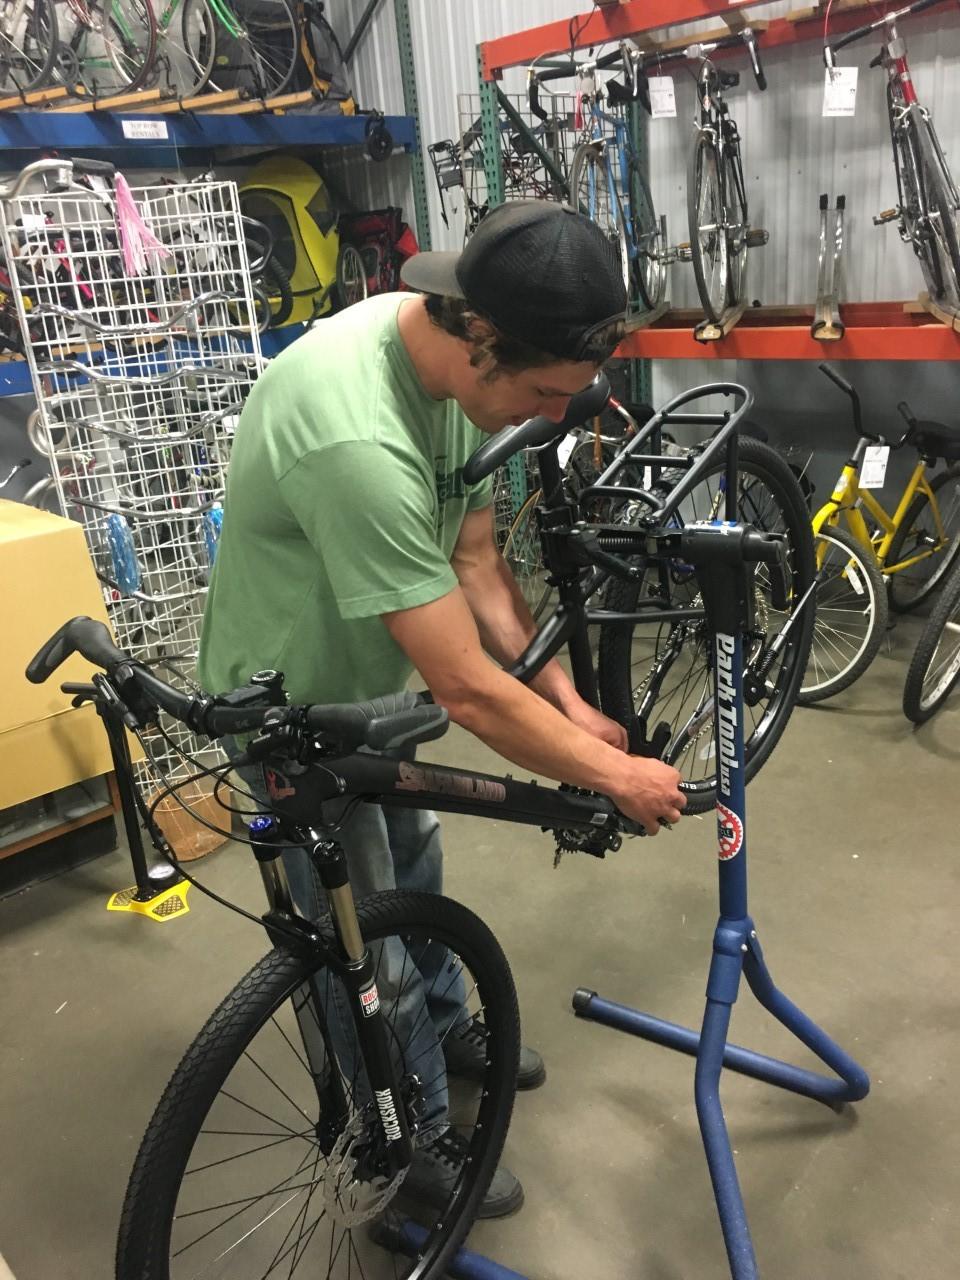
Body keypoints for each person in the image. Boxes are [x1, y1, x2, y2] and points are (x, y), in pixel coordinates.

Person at [197, 199, 686, 1218]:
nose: (550, 415)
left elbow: (474, 560)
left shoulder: (456, 380)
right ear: (481, 339)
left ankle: (449, 1029)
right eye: (544, 393)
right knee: (357, 942)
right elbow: (464, 685)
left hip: (378, 675)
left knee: (415, 866)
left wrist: (564, 700)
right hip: (290, 703)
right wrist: (614, 774)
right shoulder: (355, 434)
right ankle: (406, 1150)